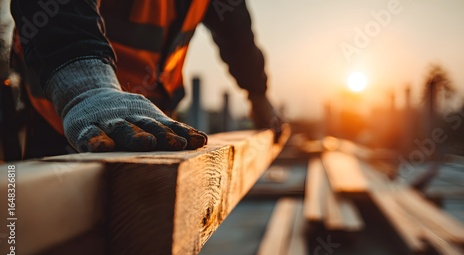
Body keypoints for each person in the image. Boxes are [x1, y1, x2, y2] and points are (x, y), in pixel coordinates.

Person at [7, 0, 283, 158]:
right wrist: (85, 86)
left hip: (151, 123)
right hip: (65, 115)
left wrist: (258, 94)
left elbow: (237, 35)